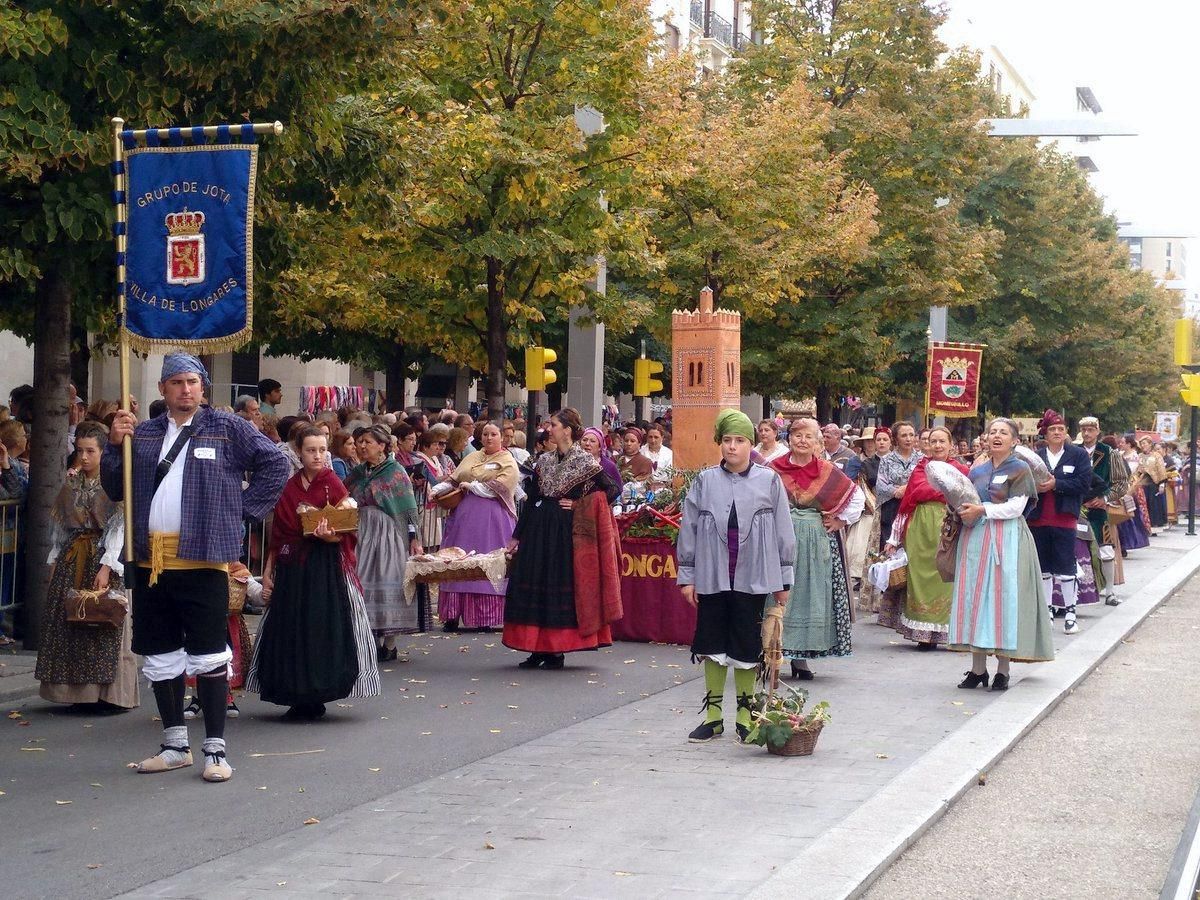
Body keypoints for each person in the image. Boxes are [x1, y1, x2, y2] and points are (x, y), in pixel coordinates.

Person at [102, 353, 288, 782]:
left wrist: (238, 510)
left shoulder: (227, 427)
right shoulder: (144, 433)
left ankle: (215, 751)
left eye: (192, 381)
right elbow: (116, 487)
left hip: (204, 558)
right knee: (162, 653)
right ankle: (174, 745)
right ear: (163, 390)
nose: (186, 389)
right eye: (177, 383)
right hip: (151, 561)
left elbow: (275, 463)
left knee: (208, 655)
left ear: (203, 387)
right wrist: (115, 445)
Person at [677, 409, 795, 743]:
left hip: (753, 577)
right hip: (713, 576)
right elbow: (690, 529)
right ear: (720, 443)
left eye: (739, 440)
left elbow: (783, 531)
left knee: (745, 646)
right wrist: (688, 575)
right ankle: (713, 717)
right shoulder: (705, 481)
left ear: (751, 444)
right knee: (711, 643)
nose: (732, 447)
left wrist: (784, 580)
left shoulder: (769, 481)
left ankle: (746, 716)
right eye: (727, 440)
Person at [248, 425, 379, 719]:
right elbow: (278, 535)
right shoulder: (290, 487)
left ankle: (318, 693)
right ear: (299, 451)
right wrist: (268, 571)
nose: (317, 456)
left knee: (320, 628)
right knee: (291, 629)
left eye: (322, 450)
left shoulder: (335, 484)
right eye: (311, 450)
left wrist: (328, 535)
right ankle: (295, 694)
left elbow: (345, 531)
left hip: (324, 570)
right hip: (292, 569)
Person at [503, 409, 621, 670]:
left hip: (564, 533)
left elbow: (612, 489)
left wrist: (580, 504)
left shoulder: (585, 462)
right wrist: (517, 535)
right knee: (534, 582)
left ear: (567, 430)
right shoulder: (543, 460)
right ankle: (536, 647)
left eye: (554, 425)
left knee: (556, 585)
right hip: (538, 528)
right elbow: (532, 498)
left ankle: (555, 650)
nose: (549, 429)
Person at [33, 421, 138, 708]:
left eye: (90, 451)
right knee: (72, 623)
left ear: (104, 452)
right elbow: (61, 527)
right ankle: (79, 694)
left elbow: (118, 526)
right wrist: (54, 559)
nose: (84, 457)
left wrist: (107, 565)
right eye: (80, 450)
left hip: (104, 555)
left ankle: (109, 695)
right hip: (73, 556)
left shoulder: (113, 484)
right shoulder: (72, 482)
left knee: (105, 622)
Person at [950, 418, 1055, 691]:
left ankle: (1003, 670)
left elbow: (1016, 508)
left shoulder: (1020, 469)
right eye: (993, 432)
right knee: (975, 598)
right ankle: (977, 669)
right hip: (976, 538)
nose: (996, 436)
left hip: (1007, 538)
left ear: (1015, 440)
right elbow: (966, 499)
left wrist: (982, 510)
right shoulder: (978, 470)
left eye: (1003, 433)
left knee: (1002, 599)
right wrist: (962, 511)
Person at [772, 418, 864, 679]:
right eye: (797, 435)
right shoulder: (772, 469)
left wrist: (840, 520)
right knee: (777, 595)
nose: (802, 440)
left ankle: (800, 659)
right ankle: (770, 654)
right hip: (779, 540)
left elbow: (855, 496)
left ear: (817, 442)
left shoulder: (827, 470)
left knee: (807, 597)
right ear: (788, 439)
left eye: (808, 436)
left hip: (815, 542)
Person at [882, 426, 968, 649]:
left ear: (951, 445)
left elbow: (965, 496)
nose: (938, 446)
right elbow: (911, 499)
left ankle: (949, 632)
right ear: (927, 445)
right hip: (920, 531)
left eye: (942, 441)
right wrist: (894, 538)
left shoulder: (960, 469)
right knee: (920, 579)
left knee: (947, 578)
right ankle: (923, 633)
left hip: (950, 528)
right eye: (933, 441)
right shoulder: (921, 468)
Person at [431, 423, 519, 632]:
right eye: (485, 434)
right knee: (458, 560)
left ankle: (485, 617)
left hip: (494, 519)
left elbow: (502, 488)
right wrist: (436, 489)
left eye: (494, 434)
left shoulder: (507, 460)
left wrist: (474, 486)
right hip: (464, 518)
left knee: (488, 561)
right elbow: (454, 480)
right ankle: (452, 615)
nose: (489, 438)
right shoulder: (472, 458)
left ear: (502, 438)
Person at [346, 424, 423, 660]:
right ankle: (369, 639)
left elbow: (408, 508)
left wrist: (414, 538)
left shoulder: (395, 472)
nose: (361, 446)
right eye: (360, 442)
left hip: (388, 532)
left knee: (388, 578)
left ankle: (389, 643)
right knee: (363, 580)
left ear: (382, 446)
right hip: (361, 531)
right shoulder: (358, 473)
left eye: (367, 442)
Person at [1028, 410, 1093, 635]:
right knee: (1044, 568)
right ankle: (1046, 611)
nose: (1057, 432)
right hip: (1037, 519)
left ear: (1066, 433)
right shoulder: (1036, 455)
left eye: (1061, 429)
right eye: (1052, 429)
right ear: (1045, 434)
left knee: (1066, 567)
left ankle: (1070, 613)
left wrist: (1057, 484)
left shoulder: (1078, 455)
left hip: (1064, 518)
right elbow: (1024, 481)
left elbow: (1084, 484)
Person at [1078, 416, 1121, 605]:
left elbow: (1121, 482)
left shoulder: (1109, 453)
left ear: (1097, 431)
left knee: (1106, 550)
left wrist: (1104, 499)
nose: (1087, 433)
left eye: (1090, 429)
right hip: (1076, 509)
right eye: (1084, 429)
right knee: (1078, 550)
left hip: (1098, 509)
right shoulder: (1073, 451)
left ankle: (1110, 592)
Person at [875, 423, 922, 552]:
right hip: (892, 507)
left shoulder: (922, 459)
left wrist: (907, 489)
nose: (908, 439)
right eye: (904, 435)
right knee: (890, 546)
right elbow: (880, 485)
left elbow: (924, 482)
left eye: (911, 435)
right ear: (896, 438)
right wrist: (896, 491)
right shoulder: (886, 459)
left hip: (914, 507)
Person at [1137, 436, 1168, 534]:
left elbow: (1161, 470)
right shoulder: (1140, 456)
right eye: (1141, 444)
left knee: (1152, 504)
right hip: (1141, 483)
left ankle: (1153, 526)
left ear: (1150, 444)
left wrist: (1162, 483)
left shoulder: (1156, 456)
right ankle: (1143, 525)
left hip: (1153, 483)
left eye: (1145, 443)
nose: (1143, 446)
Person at [580, 426, 622, 491]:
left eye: (592, 441)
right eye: (584, 440)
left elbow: (618, 490)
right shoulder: (574, 464)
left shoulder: (609, 466)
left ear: (600, 447)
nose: (587, 444)